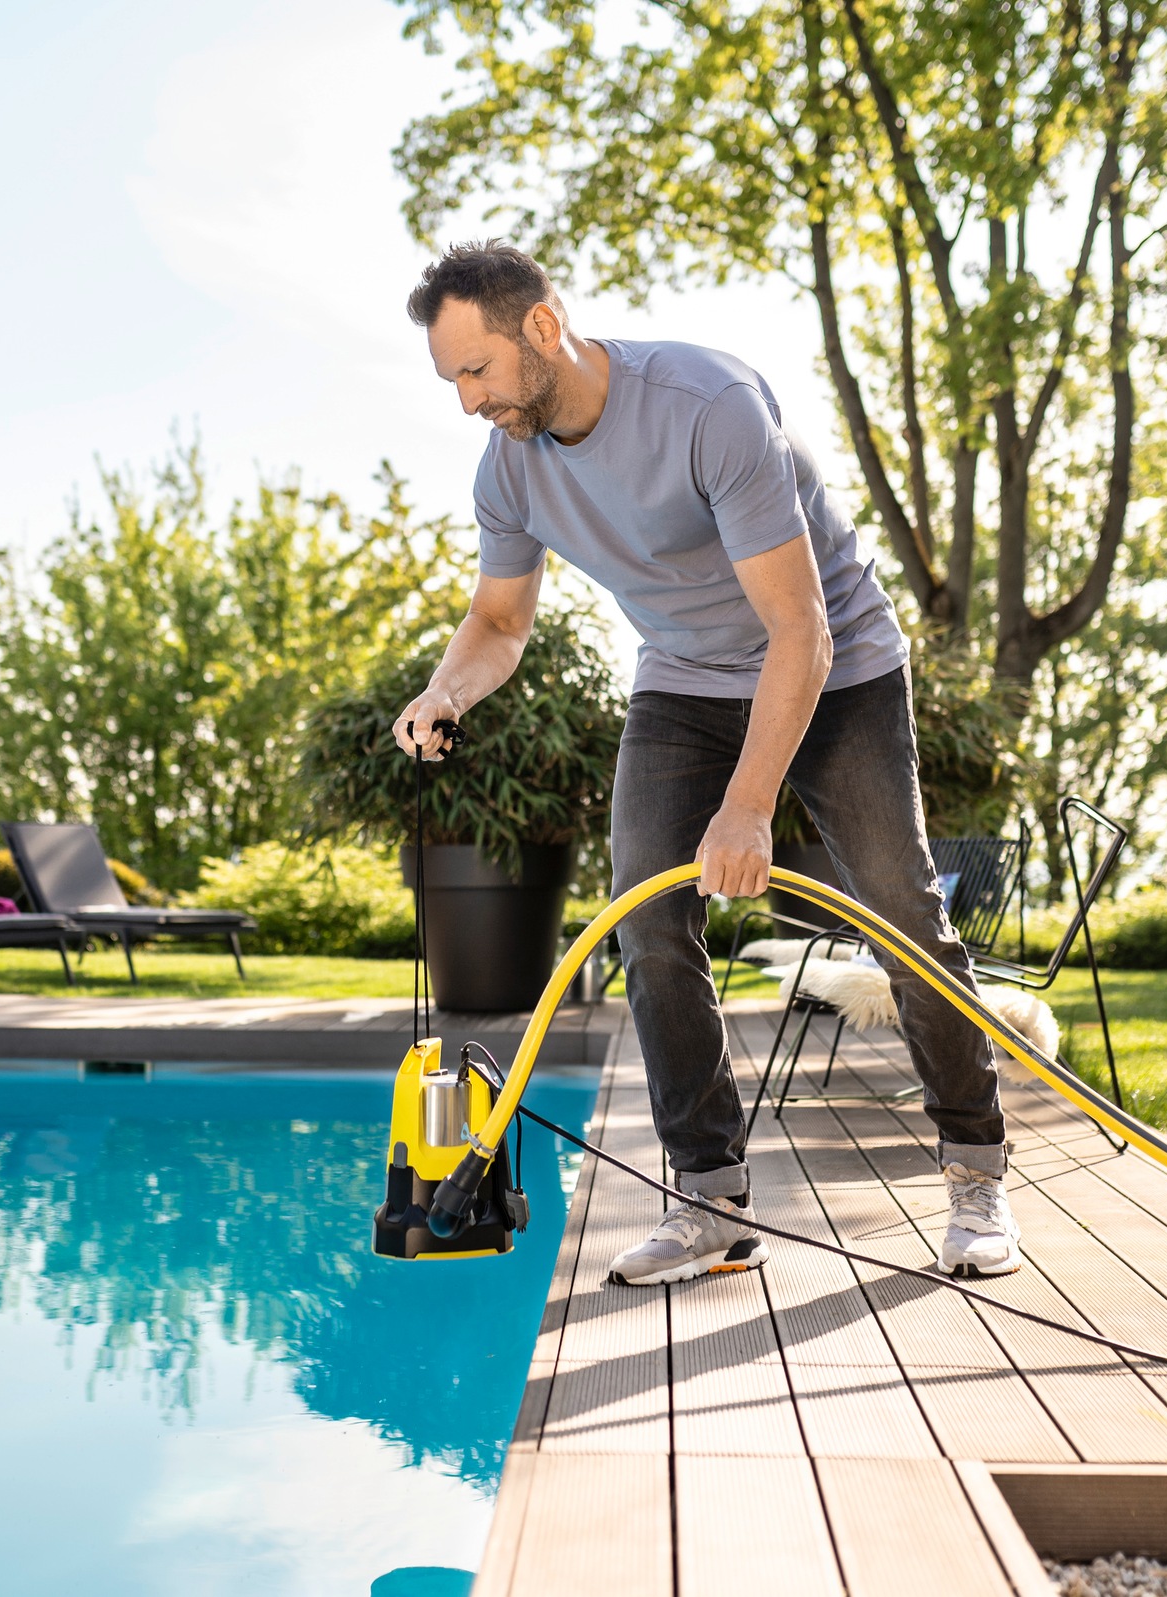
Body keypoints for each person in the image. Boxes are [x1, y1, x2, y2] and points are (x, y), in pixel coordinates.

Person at [391, 240, 1021, 1284]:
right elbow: (500, 621)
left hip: (837, 666)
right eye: (453, 378)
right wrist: (444, 690)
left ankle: (974, 1172)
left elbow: (799, 629)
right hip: (685, 681)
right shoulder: (509, 468)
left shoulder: (706, 403)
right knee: (647, 918)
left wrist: (747, 806)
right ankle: (709, 1198)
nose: (468, 401)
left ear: (541, 329)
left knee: (903, 912)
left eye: (477, 370)